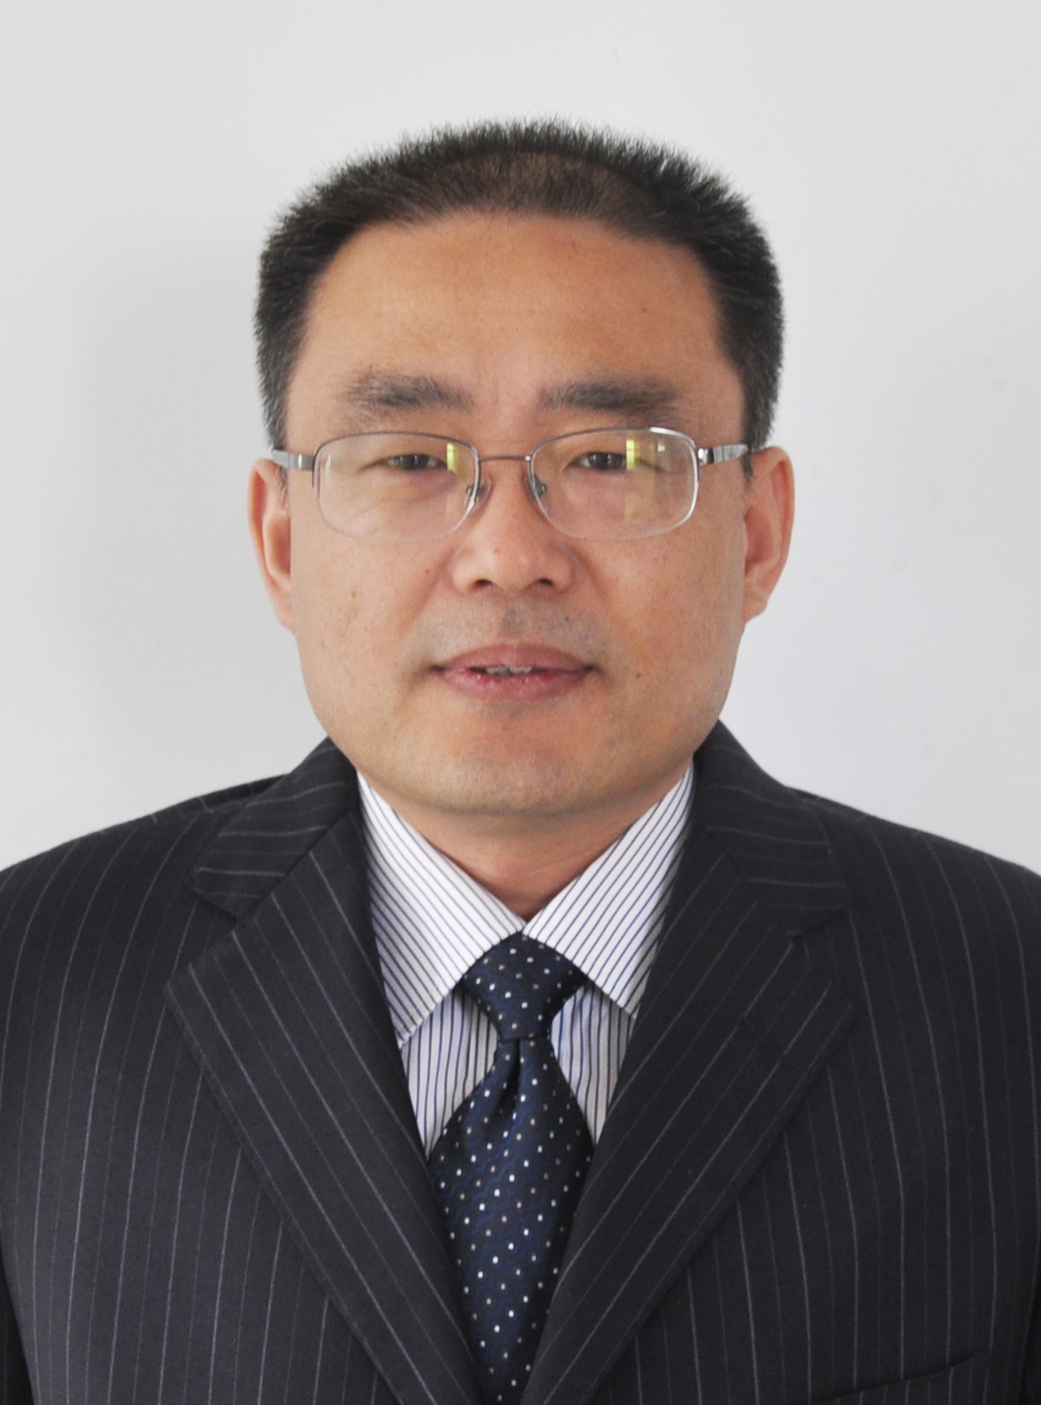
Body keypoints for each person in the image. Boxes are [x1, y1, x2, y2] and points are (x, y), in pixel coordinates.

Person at [1, 121, 1039, 1405]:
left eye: (611, 460)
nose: (506, 556)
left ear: (758, 532)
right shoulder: (31, 983)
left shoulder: (1008, 995)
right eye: (407, 460)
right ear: (281, 542)